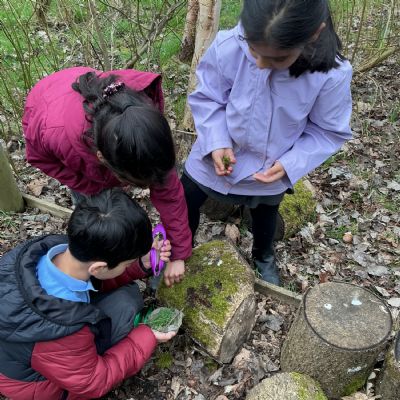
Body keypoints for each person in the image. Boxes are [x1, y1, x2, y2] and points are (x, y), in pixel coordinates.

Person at [181, 0, 353, 285]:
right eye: (253, 51)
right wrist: (216, 141)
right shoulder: (229, 45)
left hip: (271, 165)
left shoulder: (330, 74)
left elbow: (327, 131)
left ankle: (263, 255)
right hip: (215, 152)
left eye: (277, 59)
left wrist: (290, 164)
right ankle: (179, 250)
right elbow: (208, 97)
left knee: (265, 212)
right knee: (186, 196)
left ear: (313, 34)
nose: (260, 65)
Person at [22, 66, 191, 287]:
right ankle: (106, 271)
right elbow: (39, 157)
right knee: (99, 216)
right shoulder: (57, 136)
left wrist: (179, 253)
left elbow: (169, 193)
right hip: (48, 108)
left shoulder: (143, 124)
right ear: (102, 158)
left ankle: (130, 265)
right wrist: (89, 185)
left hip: (85, 115)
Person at [0, 189, 175, 399]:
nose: (129, 265)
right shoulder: (61, 331)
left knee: (127, 297)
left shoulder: (51, 251)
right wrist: (147, 336)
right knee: (126, 306)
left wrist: (140, 264)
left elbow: (96, 278)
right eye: (127, 263)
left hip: (22, 352)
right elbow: (94, 381)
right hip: (35, 383)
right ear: (98, 267)